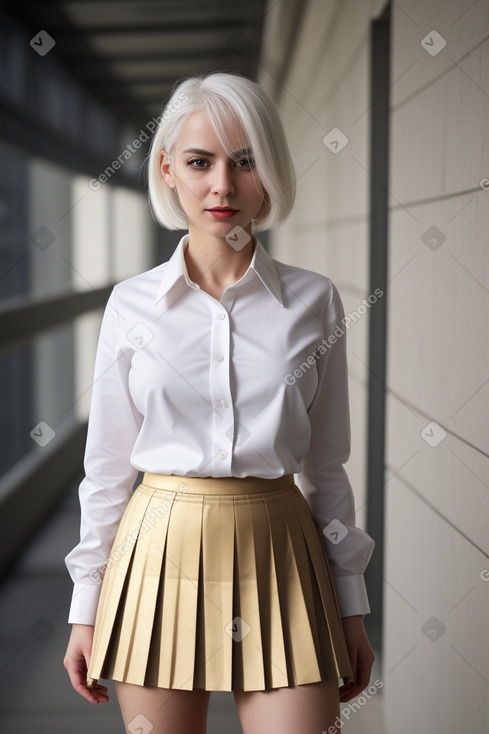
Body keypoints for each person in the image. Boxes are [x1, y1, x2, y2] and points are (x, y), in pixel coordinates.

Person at [63, 71, 376, 734]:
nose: (223, 187)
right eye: (200, 162)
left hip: (284, 556)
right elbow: (107, 469)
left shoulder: (314, 301)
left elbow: (326, 468)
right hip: (156, 555)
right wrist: (85, 606)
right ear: (167, 169)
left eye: (245, 162)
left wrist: (349, 606)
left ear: (271, 171)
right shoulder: (131, 305)